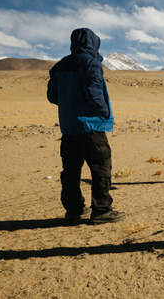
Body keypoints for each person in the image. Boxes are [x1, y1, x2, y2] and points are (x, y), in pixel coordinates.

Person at [47, 28, 126, 224]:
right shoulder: (91, 64)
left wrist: (69, 104)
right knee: (100, 168)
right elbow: (94, 92)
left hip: (69, 128)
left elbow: (52, 96)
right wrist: (104, 112)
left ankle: (74, 210)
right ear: (93, 43)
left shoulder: (58, 67)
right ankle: (101, 210)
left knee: (71, 171)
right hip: (92, 126)